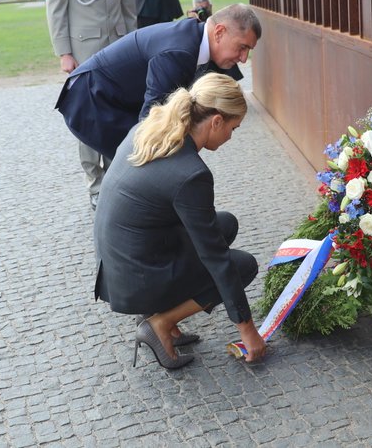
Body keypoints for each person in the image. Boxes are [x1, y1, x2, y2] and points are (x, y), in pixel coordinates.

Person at [94, 73, 266, 368]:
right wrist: (248, 330)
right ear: (215, 122)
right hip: (136, 277)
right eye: (233, 128)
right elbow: (217, 259)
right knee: (241, 266)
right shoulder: (191, 174)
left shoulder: (151, 128)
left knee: (225, 225)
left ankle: (159, 310)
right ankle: (160, 322)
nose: (230, 137)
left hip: (117, 264)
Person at [56, 3, 261, 164]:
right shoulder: (180, 52)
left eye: (248, 50)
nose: (244, 58)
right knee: (145, 155)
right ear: (219, 32)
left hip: (112, 97)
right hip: (90, 100)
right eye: (242, 47)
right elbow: (151, 121)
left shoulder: (195, 39)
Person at [45, 0, 137, 210]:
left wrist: (134, 44)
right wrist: (63, 52)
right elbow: (55, 6)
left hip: (118, 48)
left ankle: (115, 179)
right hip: (84, 51)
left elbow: (129, 4)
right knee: (89, 117)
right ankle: (95, 184)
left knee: (120, 114)